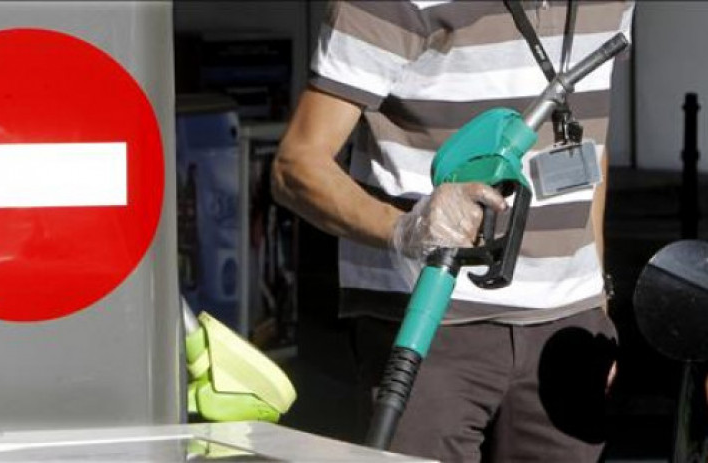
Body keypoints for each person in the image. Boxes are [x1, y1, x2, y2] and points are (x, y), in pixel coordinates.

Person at [272, 1, 634, 461]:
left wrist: (596, 303)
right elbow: (296, 166)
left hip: (567, 326)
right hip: (429, 322)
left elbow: (588, 142)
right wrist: (405, 228)